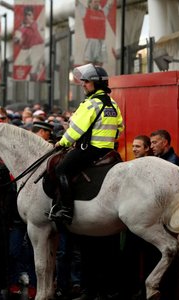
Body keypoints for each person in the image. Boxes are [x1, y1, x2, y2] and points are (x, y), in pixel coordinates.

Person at [49, 63, 123, 224]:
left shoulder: (91, 104)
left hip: (89, 150)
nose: (83, 84)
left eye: (86, 81)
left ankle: (66, 210)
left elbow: (76, 129)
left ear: (96, 83)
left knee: (61, 169)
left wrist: (62, 143)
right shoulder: (113, 104)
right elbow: (120, 128)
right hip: (108, 151)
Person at [77, 0, 114, 66]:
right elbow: (77, 3)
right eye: (95, 2)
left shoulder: (103, 12)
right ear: (90, 3)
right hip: (91, 41)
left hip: (101, 42)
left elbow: (110, 4)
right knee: (88, 65)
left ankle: (97, 75)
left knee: (99, 65)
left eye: (98, 2)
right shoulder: (85, 11)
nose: (97, 3)